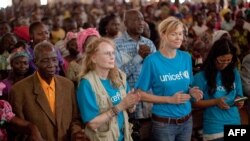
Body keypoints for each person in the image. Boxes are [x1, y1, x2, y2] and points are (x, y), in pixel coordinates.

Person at [134, 16, 203, 141]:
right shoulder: (152, 61)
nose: (179, 38)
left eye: (181, 34)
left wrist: (192, 91)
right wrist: (169, 99)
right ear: (163, 34)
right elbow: (139, 94)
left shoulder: (186, 57)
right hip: (164, 124)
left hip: (187, 121)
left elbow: (188, 85)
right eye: (174, 34)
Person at [9, 41, 88, 141]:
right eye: (45, 61)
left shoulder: (68, 85)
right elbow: (16, 130)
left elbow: (75, 120)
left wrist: (76, 134)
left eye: (54, 60)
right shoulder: (18, 91)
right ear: (35, 62)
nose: (51, 65)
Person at [77, 37, 140, 141]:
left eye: (113, 53)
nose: (112, 57)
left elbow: (129, 108)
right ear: (93, 58)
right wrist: (120, 106)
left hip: (124, 136)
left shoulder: (119, 76)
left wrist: (132, 104)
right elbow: (92, 123)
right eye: (107, 53)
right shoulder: (87, 84)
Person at [115, 10, 156, 139]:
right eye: (136, 19)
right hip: (130, 105)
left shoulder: (149, 43)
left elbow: (157, 74)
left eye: (142, 19)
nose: (141, 23)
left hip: (150, 103)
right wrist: (138, 57)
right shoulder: (117, 45)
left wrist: (150, 62)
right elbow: (118, 76)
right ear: (126, 23)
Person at [193, 38, 244, 141]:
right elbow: (194, 103)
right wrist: (215, 102)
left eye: (229, 60)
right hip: (215, 127)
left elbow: (239, 95)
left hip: (235, 122)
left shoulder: (234, 73)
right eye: (221, 60)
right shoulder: (201, 76)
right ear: (214, 57)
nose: (225, 64)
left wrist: (240, 100)